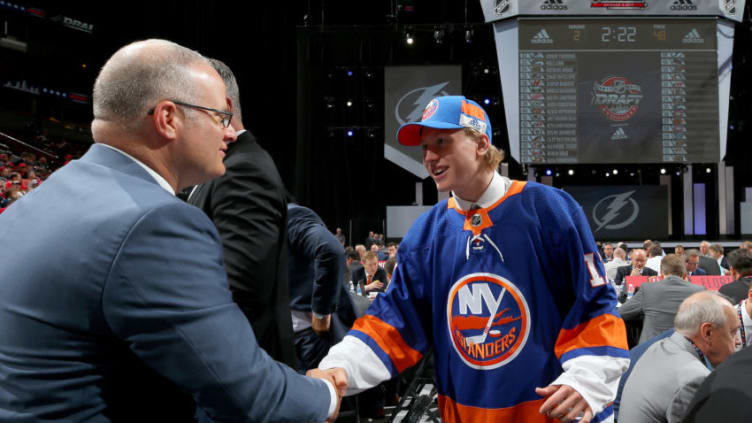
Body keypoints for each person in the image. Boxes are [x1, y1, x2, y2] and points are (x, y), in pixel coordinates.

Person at [0, 39, 339, 422]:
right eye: (218, 117)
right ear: (168, 118)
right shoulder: (154, 222)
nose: (229, 133)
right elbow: (244, 391)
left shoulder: (32, 204)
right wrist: (324, 392)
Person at [316, 96, 629, 422]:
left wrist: (587, 379)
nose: (430, 157)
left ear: (481, 144)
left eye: (442, 142)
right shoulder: (426, 234)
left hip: (553, 413)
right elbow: (393, 320)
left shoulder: (549, 210)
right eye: (425, 147)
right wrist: (340, 366)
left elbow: (593, 307)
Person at [187, 59, 296, 366]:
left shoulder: (243, 170)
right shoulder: (219, 170)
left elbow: (238, 294)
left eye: (187, 109)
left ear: (223, 109)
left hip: (241, 373)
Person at [619, 291, 740, 423]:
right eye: (733, 332)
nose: (738, 340)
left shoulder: (660, 347)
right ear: (708, 333)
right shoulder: (694, 379)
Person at [287, 202, 356, 371]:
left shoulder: (291, 216)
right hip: (275, 339)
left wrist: (321, 312)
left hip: (310, 339)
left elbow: (331, 250)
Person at [619, 254, 705, 343]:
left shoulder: (647, 289)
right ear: (684, 273)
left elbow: (622, 313)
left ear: (661, 272)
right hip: (688, 351)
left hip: (650, 350)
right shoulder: (699, 291)